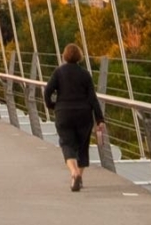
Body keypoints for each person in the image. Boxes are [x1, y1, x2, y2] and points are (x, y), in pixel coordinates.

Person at [44, 43, 106, 192]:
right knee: (83, 145)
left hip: (64, 113)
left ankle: (74, 172)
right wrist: (100, 119)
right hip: (83, 114)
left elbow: (47, 91)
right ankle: (79, 177)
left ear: (64, 56)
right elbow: (92, 98)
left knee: (66, 143)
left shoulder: (58, 72)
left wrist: (51, 105)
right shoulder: (85, 74)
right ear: (80, 56)